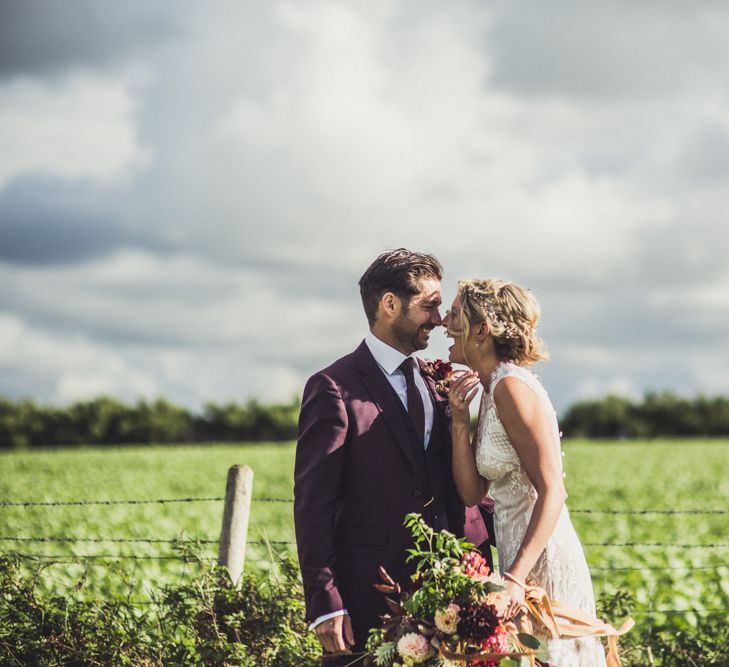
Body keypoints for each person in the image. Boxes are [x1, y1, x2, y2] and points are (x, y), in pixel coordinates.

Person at [294, 249, 489, 665]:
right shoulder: (333, 388)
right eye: (429, 305)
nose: (439, 320)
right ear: (389, 304)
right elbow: (314, 504)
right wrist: (325, 601)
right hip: (369, 593)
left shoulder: (438, 382)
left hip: (452, 592)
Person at [446, 278, 607, 666]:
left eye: (454, 315)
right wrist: (458, 423)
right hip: (518, 559)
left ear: (481, 330)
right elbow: (471, 493)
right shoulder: (490, 389)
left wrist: (515, 577)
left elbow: (553, 491)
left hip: (542, 559)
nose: (444, 324)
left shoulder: (512, 388)